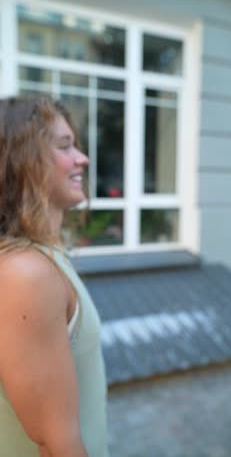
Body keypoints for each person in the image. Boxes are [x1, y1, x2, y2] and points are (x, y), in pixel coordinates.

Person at [0, 95, 109, 457]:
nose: (83, 158)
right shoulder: (24, 273)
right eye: (65, 146)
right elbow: (57, 442)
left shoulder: (43, 255)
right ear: (22, 162)